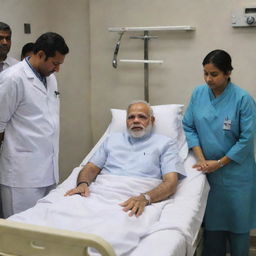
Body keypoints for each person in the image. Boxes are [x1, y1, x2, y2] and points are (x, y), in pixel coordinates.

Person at [183, 49, 256, 256]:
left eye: (214, 74)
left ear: (228, 72)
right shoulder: (198, 94)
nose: (208, 79)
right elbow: (188, 126)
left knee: (238, 231)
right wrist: (202, 159)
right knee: (212, 233)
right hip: (208, 173)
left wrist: (220, 163)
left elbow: (246, 140)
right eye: (205, 73)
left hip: (237, 176)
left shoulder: (243, 100)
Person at [66, 100, 186, 217]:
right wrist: (82, 183)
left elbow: (171, 183)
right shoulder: (111, 139)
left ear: (152, 120)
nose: (136, 121)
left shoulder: (165, 144)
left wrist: (146, 198)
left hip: (136, 197)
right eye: (131, 117)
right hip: (100, 193)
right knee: (68, 212)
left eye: (142, 117)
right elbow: (91, 167)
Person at [0, 32, 69, 218]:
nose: (57, 69)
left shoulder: (50, 78)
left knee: (46, 228)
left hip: (48, 170)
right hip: (22, 176)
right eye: (54, 63)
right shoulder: (13, 78)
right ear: (39, 54)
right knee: (21, 233)